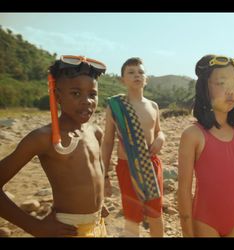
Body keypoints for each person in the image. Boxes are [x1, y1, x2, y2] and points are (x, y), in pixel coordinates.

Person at [0, 55, 108, 237]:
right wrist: (34, 227)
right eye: (76, 93)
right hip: (68, 230)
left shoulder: (95, 132)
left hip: (98, 225)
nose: (87, 101)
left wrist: (98, 201)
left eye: (92, 94)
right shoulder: (43, 138)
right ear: (57, 96)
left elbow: (97, 169)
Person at [177, 55, 234, 237]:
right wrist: (187, 234)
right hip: (205, 221)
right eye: (221, 83)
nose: (231, 91)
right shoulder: (193, 134)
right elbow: (183, 190)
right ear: (205, 88)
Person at [102, 57, 165, 237]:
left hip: (151, 165)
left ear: (147, 79)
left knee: (155, 214)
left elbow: (159, 131)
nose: (137, 75)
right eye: (131, 72)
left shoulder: (153, 106)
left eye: (141, 72)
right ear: (122, 80)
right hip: (126, 166)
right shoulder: (115, 106)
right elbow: (107, 141)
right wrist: (105, 174)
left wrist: (161, 139)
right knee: (132, 216)